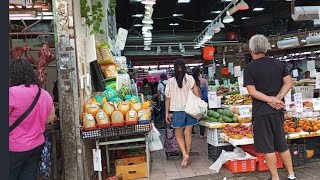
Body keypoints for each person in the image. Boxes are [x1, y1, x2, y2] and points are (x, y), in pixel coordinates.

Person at [243, 35, 295, 180]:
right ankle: (291, 175)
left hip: (261, 112)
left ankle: (275, 177)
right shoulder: (278, 63)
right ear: (266, 48)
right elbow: (288, 82)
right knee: (282, 143)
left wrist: (270, 99)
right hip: (277, 110)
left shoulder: (249, 68)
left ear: (251, 49)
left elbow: (252, 91)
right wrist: (277, 98)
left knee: (268, 147)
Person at [9, 59, 56, 180]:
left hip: (14, 147)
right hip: (36, 146)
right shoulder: (43, 93)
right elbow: (50, 117)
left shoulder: (11, 93)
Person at [165, 59, 200, 167]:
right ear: (184, 67)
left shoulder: (170, 81)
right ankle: (186, 156)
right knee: (188, 133)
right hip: (190, 110)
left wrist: (166, 113)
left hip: (177, 111)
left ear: (175, 68)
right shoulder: (190, 78)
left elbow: (167, 98)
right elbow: (197, 94)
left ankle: (184, 154)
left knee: (178, 134)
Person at [192, 67, 208, 139]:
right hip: (202, 101)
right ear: (199, 72)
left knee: (192, 116)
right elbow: (206, 91)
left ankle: (191, 132)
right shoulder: (204, 81)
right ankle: (201, 134)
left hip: (193, 101)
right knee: (202, 117)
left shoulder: (191, 81)